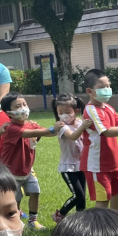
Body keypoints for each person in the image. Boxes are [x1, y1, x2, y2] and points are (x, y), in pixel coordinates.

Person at [0, 92, 60, 231]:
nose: (23, 108)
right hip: (11, 172)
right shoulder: (10, 128)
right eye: (18, 106)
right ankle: (15, 222)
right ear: (9, 113)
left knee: (35, 192)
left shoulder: (31, 125)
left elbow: (47, 133)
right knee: (14, 200)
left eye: (24, 104)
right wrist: (53, 128)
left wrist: (62, 128)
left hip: (27, 170)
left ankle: (32, 221)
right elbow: (32, 133)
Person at [74, 69, 118, 210]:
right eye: (101, 87)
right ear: (90, 91)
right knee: (103, 200)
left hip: (113, 163)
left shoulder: (108, 108)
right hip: (97, 166)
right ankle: (99, 229)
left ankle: (112, 222)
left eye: (108, 86)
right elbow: (107, 132)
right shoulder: (92, 110)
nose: (107, 90)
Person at [53, 94, 88, 224]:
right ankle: (60, 214)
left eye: (67, 112)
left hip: (82, 165)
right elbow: (72, 136)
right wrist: (83, 127)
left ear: (76, 111)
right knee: (77, 194)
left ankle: (81, 222)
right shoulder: (61, 126)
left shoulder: (79, 122)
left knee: (82, 197)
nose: (63, 115)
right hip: (68, 167)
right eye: (60, 112)